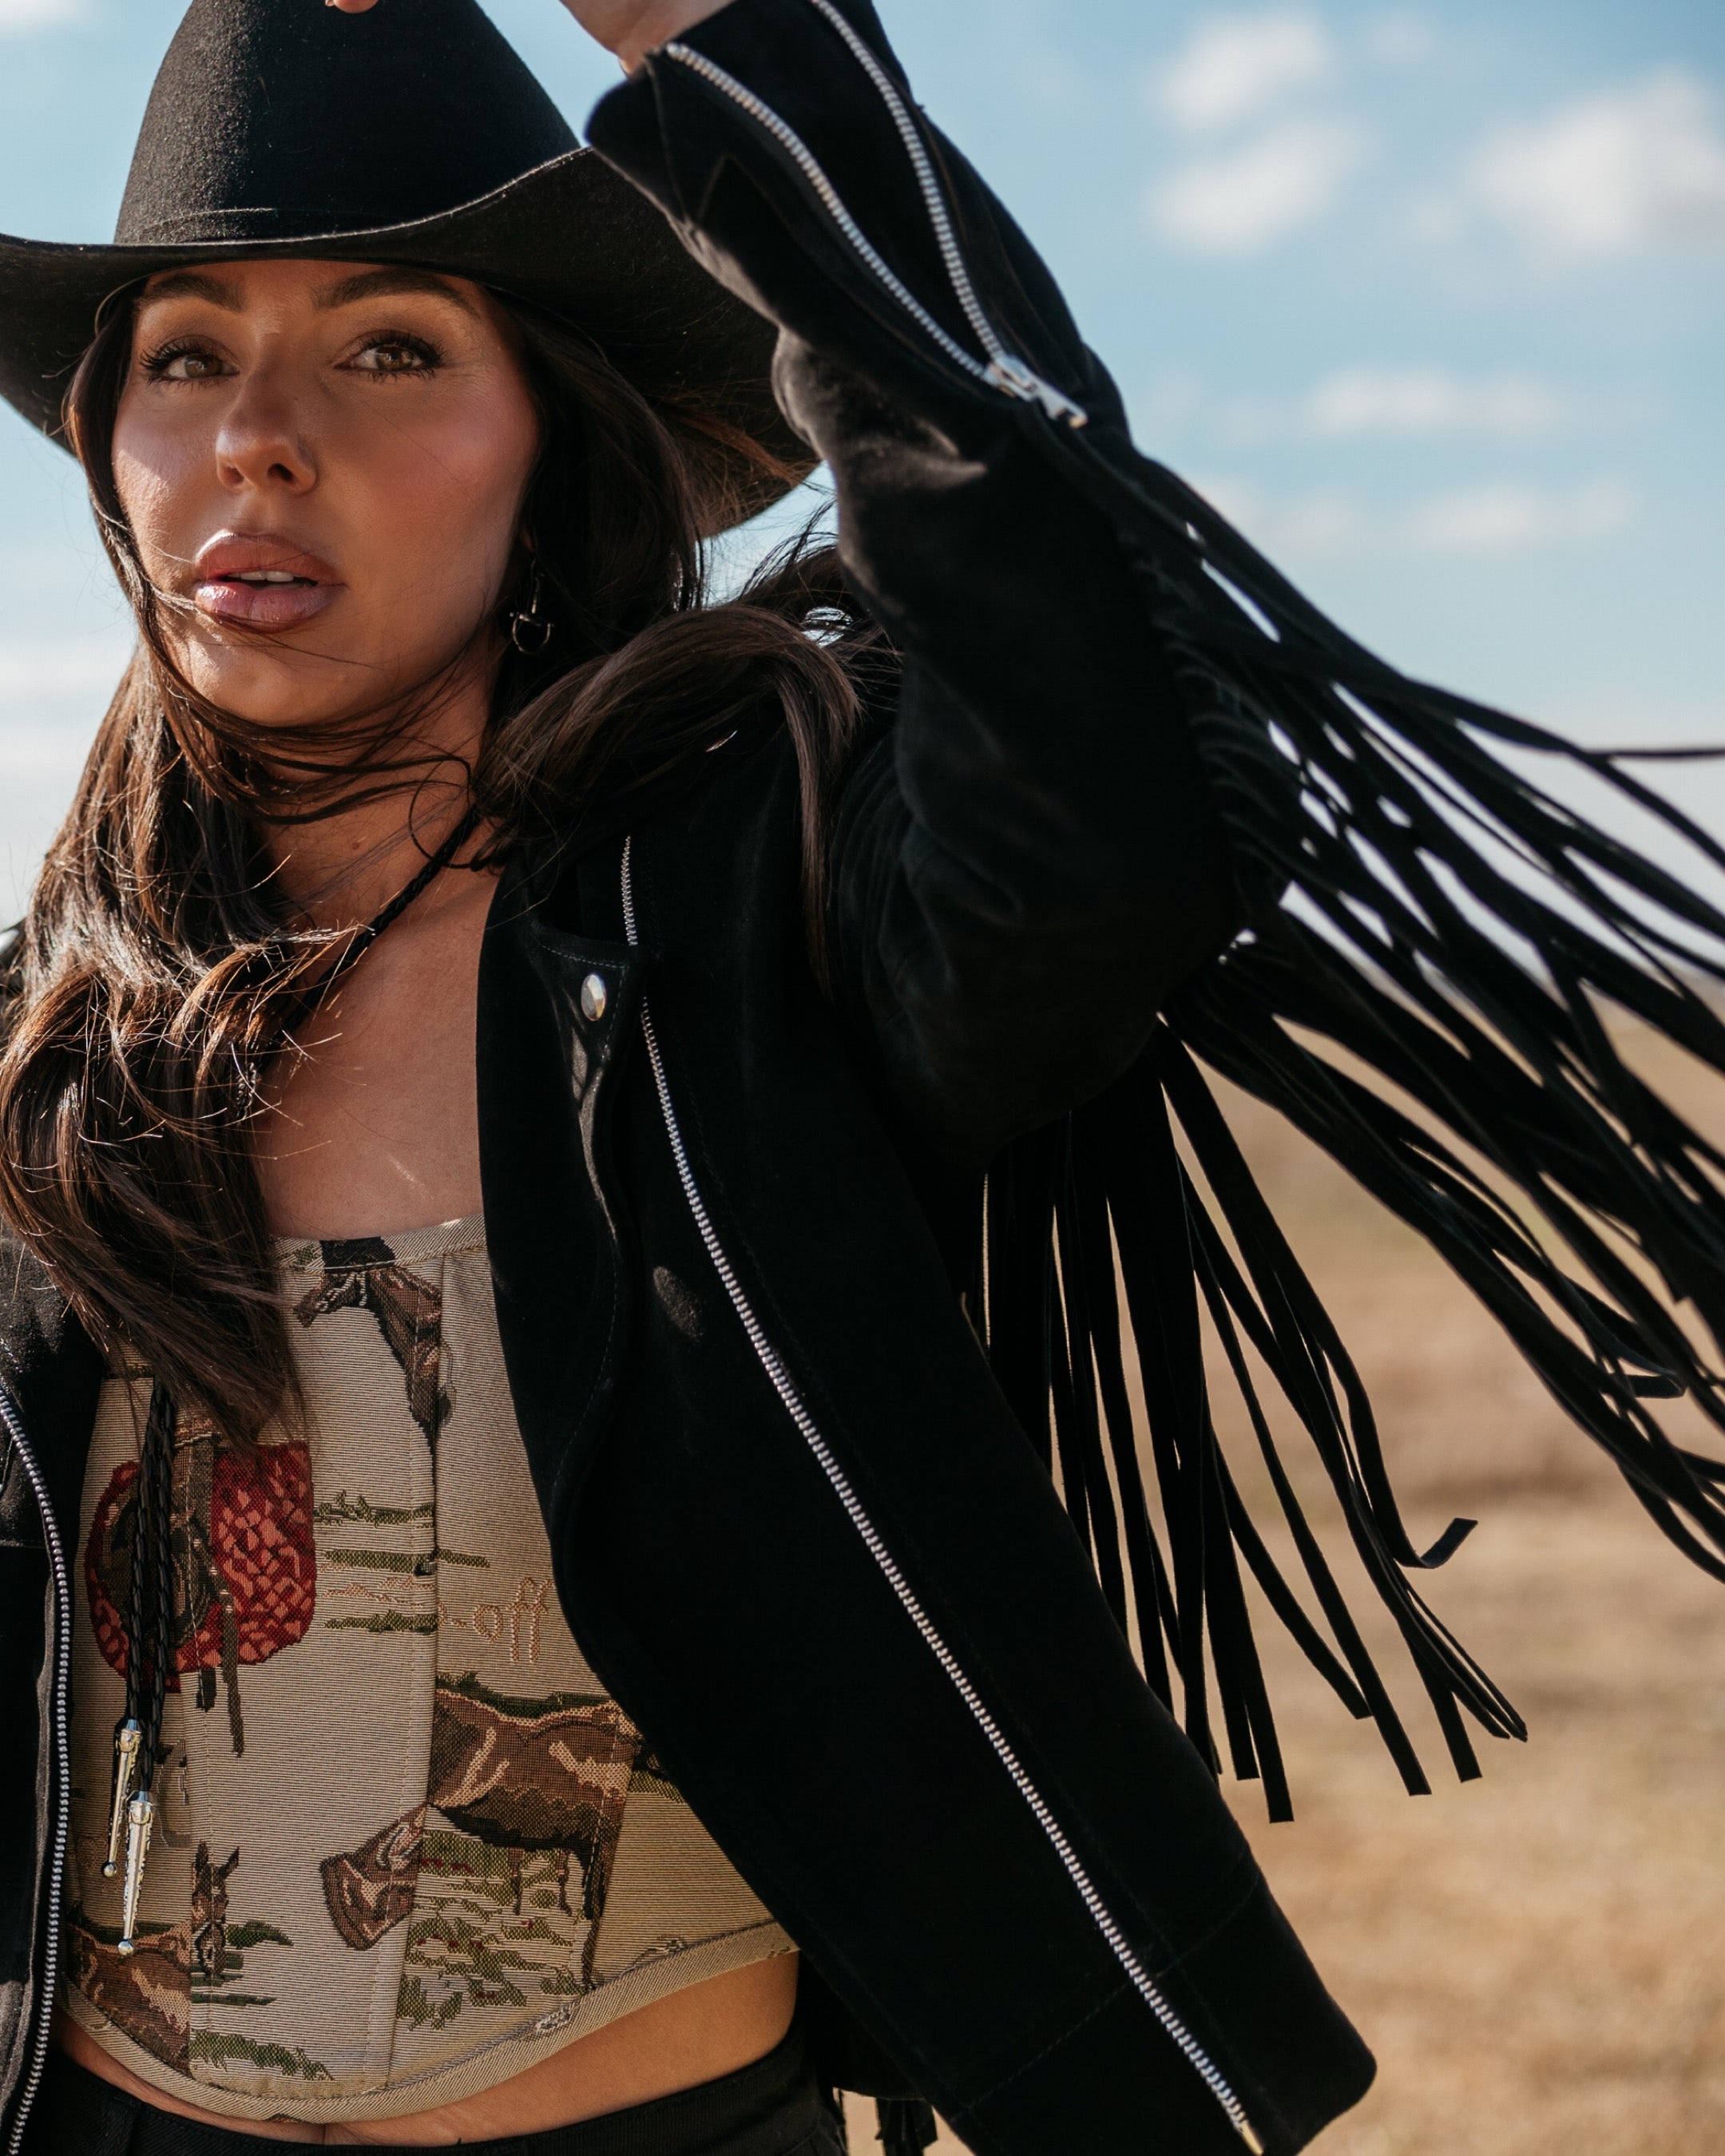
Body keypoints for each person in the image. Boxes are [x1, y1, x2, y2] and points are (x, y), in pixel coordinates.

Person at [3, 2, 1725, 2154]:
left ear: (555, 433)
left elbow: (1114, 754)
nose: (258, 434)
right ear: (109, 442)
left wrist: (745, 60)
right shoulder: (53, 1055)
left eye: (390, 348)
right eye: (185, 353)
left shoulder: (752, 924)